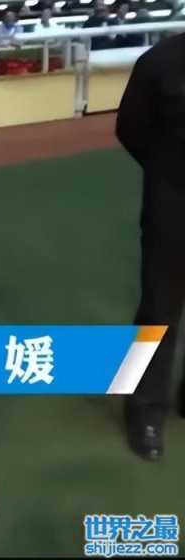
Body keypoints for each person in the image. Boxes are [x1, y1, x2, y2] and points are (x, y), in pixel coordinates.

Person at [115, 30, 185, 462]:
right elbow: (131, 129)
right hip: (172, 209)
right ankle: (144, 411)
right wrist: (167, 174)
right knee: (159, 311)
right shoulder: (159, 63)